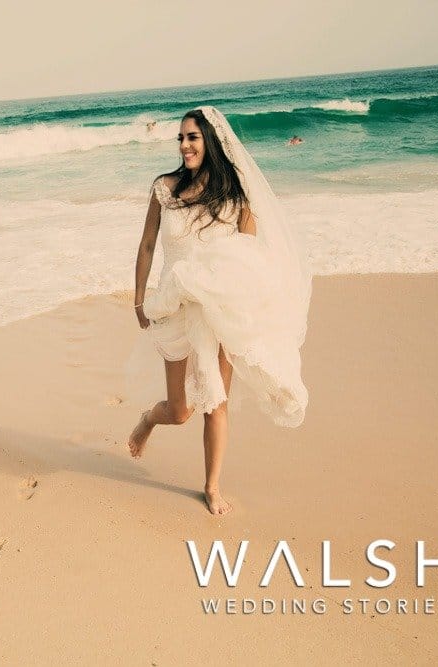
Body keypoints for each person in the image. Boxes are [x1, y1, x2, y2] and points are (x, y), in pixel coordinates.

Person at [127, 107, 311, 515]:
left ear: (210, 140)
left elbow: (251, 260)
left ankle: (211, 487)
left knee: (216, 402)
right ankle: (149, 419)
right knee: (180, 411)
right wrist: (139, 298)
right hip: (173, 304)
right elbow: (147, 245)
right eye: (180, 138)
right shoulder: (164, 188)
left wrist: (252, 313)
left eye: (192, 137)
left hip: (218, 309)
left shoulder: (236, 197)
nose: (184, 145)